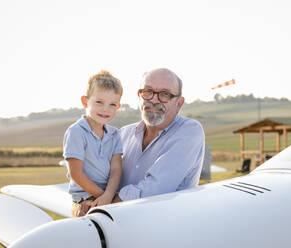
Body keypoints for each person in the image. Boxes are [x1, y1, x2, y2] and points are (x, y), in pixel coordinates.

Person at [114, 68, 205, 202]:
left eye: (164, 94)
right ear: (139, 96)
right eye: (148, 91)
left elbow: (153, 192)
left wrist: (103, 203)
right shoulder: (123, 134)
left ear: (179, 103)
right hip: (115, 222)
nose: (154, 100)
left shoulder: (189, 131)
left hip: (166, 222)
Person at [63, 70, 123, 217]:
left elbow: (116, 170)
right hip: (85, 198)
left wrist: (108, 196)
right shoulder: (77, 132)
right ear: (85, 101)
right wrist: (103, 196)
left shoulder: (114, 134)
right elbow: (76, 173)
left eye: (112, 104)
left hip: (107, 195)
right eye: (99, 102)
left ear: (118, 107)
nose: (105, 109)